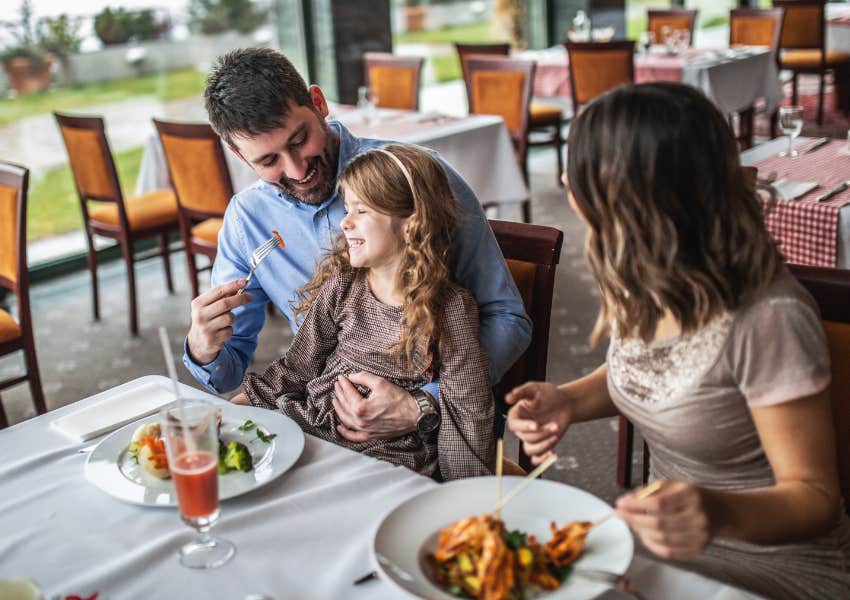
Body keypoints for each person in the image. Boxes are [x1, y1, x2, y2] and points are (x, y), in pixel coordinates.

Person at [507, 82, 850, 599]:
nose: (564, 184)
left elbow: (816, 497)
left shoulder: (768, 317)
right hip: (657, 548)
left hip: (776, 568)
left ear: (633, 197)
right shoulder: (643, 273)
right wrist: (567, 401)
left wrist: (714, 510)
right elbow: (650, 372)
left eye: (578, 174)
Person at [183, 47, 531, 443]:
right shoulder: (247, 219)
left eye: (300, 140)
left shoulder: (415, 176)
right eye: (269, 161)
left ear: (319, 104)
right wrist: (202, 348)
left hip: (430, 425)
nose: (297, 170)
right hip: (321, 421)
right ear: (237, 154)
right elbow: (227, 374)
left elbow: (508, 317)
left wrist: (422, 402)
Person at [242, 144, 494, 480]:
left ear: (410, 224)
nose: (345, 222)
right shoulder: (343, 283)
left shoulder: (449, 310)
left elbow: (468, 410)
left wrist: (463, 496)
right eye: (347, 209)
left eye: (361, 211)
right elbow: (297, 368)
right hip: (314, 428)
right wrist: (235, 408)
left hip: (388, 454)